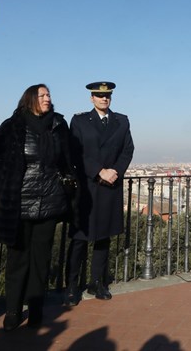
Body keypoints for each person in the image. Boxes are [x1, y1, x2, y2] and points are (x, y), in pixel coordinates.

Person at [0, 84, 74, 331]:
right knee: (18, 259)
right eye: (42, 95)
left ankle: (36, 309)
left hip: (50, 201)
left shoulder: (58, 125)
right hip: (20, 203)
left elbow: (68, 160)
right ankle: (13, 311)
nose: (47, 98)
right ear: (30, 99)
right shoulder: (12, 126)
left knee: (41, 260)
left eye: (49, 95)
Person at [66, 81, 134, 305]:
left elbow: (128, 149)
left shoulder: (121, 121)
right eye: (98, 95)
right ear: (91, 98)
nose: (104, 98)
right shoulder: (79, 121)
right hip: (87, 186)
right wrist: (99, 171)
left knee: (103, 238)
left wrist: (115, 171)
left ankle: (97, 283)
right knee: (80, 239)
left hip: (110, 186)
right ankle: (72, 286)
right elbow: (75, 152)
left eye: (107, 95)